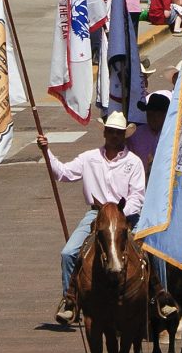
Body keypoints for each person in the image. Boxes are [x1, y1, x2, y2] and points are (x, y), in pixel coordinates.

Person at [39, 111, 148, 324]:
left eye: (118, 133)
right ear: (105, 133)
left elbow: (138, 196)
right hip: (95, 215)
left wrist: (117, 215)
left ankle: (158, 296)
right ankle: (70, 300)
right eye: (111, 132)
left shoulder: (133, 162)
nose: (114, 136)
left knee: (151, 253)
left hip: (126, 216)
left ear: (124, 135)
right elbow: (63, 173)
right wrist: (46, 152)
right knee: (68, 253)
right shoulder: (89, 158)